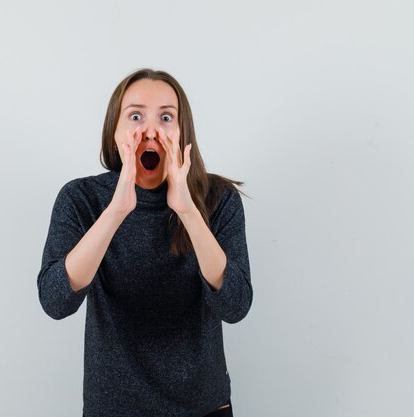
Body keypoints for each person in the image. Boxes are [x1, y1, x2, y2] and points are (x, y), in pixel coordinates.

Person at [37, 68, 253, 417]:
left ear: (184, 133)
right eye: (135, 116)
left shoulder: (218, 200)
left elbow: (235, 305)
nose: (151, 131)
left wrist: (186, 210)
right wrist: (117, 210)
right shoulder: (81, 199)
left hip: (203, 408)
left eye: (166, 117)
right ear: (115, 130)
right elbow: (55, 301)